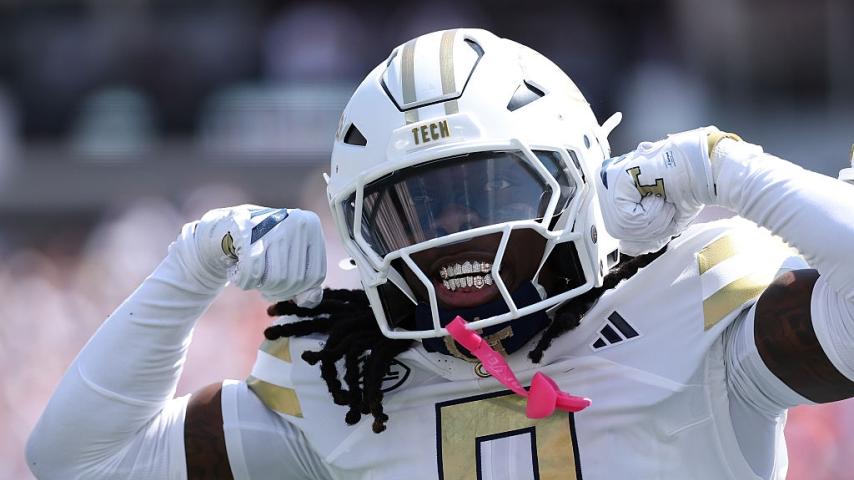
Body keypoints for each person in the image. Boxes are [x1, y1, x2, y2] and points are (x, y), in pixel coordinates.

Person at [26, 28, 854, 480]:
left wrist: (725, 168)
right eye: (416, 208)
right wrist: (191, 267)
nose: (452, 234)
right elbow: (79, 463)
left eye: (489, 192)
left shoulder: (693, 307)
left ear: (577, 177)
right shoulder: (344, 389)